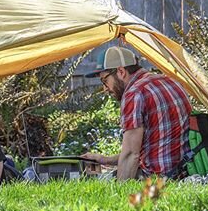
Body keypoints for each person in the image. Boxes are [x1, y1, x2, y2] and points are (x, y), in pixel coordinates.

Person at [80, 46, 192, 180]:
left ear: (121, 71)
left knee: (93, 181)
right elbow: (154, 147)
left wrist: (119, 195)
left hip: (156, 180)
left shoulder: (134, 94)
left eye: (105, 80)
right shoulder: (170, 81)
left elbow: (131, 154)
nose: (105, 88)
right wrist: (106, 160)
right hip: (183, 172)